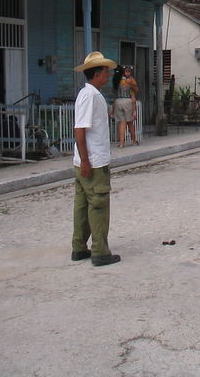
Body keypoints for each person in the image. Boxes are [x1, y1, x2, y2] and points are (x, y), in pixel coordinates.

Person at [72, 51, 121, 267]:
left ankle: (79, 247)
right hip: (93, 161)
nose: (108, 75)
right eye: (106, 72)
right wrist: (85, 160)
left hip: (87, 159)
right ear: (97, 73)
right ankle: (100, 251)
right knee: (98, 205)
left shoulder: (90, 95)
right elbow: (80, 130)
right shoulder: (90, 96)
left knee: (82, 205)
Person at [112, 65, 139, 148]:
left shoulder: (116, 80)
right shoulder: (130, 80)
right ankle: (134, 140)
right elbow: (135, 90)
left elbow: (114, 93)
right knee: (130, 123)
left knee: (122, 123)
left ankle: (121, 143)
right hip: (127, 101)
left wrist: (112, 110)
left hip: (118, 101)